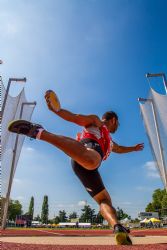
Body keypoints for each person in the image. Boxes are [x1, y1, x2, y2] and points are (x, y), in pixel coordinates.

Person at [8, 90, 144, 245]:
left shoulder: (110, 142)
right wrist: (57, 110)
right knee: (92, 161)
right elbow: (74, 118)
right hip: (87, 153)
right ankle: (39, 132)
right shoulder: (96, 122)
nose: (118, 126)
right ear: (113, 120)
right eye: (118, 123)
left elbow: (119, 149)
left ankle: (117, 227)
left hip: (88, 166)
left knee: (105, 200)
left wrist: (133, 148)